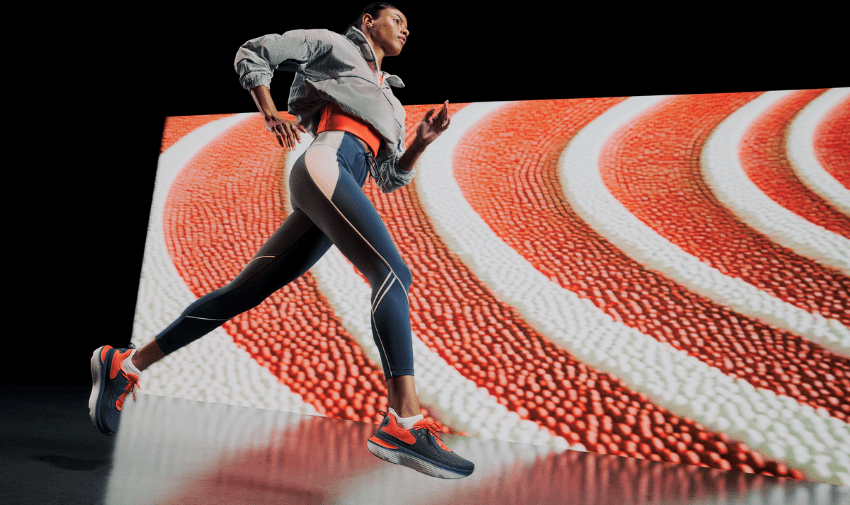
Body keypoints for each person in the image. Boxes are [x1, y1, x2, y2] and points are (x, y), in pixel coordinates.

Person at [89, 2, 474, 479]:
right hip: (323, 165)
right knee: (392, 272)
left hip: (343, 179)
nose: (407, 29)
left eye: (410, 26)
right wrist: (270, 111)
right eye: (398, 20)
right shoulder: (334, 46)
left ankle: (124, 364)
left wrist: (421, 141)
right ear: (368, 21)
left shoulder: (393, 103)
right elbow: (254, 52)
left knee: (242, 293)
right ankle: (404, 421)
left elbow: (390, 177)